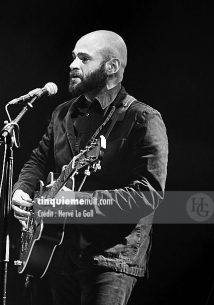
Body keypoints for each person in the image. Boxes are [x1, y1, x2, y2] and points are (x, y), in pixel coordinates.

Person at [12, 30, 168, 305]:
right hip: (57, 254)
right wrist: (21, 190)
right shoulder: (63, 113)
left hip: (110, 259)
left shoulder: (142, 119)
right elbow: (38, 160)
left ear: (112, 67)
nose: (72, 65)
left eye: (84, 59)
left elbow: (147, 196)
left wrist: (77, 202)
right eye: (73, 57)